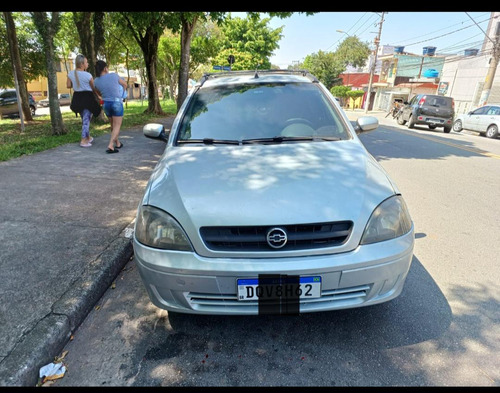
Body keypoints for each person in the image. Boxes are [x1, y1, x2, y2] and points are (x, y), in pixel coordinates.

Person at [67, 54, 101, 147]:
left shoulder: (70, 74)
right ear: (82, 64)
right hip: (87, 98)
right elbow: (93, 88)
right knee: (86, 119)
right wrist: (99, 96)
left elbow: (68, 85)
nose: (88, 64)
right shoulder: (88, 75)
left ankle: (88, 137)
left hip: (77, 98)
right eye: (86, 62)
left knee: (84, 119)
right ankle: (83, 140)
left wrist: (77, 83)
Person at [94, 60, 128, 154]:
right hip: (116, 102)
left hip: (106, 104)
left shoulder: (96, 80)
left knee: (112, 125)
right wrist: (122, 93)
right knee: (117, 125)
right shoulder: (114, 76)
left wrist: (101, 96)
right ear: (105, 68)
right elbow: (124, 84)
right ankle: (110, 145)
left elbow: (97, 92)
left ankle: (117, 143)